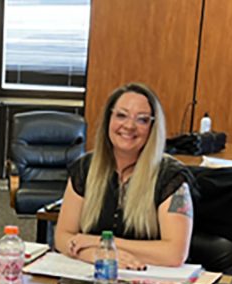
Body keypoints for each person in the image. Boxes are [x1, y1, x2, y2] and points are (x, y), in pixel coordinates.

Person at [54, 82, 194, 269]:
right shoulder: (84, 168)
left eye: (142, 120)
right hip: (93, 276)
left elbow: (175, 253)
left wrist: (103, 244)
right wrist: (96, 254)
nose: (129, 126)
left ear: (153, 127)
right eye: (121, 115)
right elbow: (63, 236)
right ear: (108, 120)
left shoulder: (172, 178)